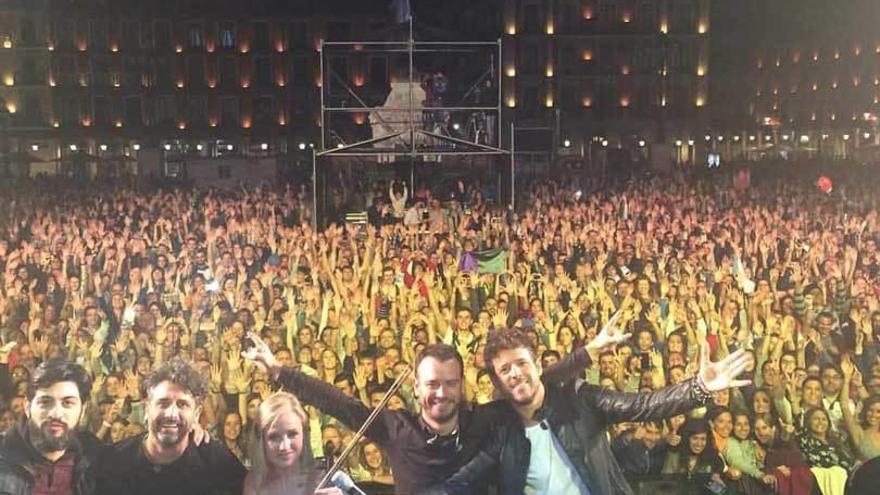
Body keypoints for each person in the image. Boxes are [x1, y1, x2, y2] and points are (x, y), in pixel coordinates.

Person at [241, 320, 616, 495]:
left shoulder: (484, 420)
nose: (441, 393)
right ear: (415, 387)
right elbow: (338, 403)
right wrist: (279, 371)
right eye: (432, 384)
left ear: (462, 386)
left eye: (450, 384)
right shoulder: (393, 426)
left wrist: (586, 355)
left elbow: (532, 382)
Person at [419, 326, 752, 495]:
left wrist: (699, 388)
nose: (515, 373)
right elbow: (461, 480)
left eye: (521, 363)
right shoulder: (501, 430)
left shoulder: (580, 400)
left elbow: (643, 406)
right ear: (496, 380)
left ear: (536, 364)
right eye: (505, 370)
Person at [95, 356, 246, 495]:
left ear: (197, 414)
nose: (171, 413)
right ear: (147, 408)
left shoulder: (218, 463)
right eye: (163, 403)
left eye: (182, 404)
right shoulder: (113, 460)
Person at [0, 358, 101, 495]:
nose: (56, 413)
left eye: (67, 403)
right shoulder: (3, 457)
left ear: (82, 411)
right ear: (27, 406)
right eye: (45, 402)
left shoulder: (94, 458)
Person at [244, 391, 342, 495]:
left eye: (292, 434)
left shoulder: (320, 480)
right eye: (274, 437)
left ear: (303, 435)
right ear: (261, 440)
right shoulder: (254, 485)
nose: (285, 446)